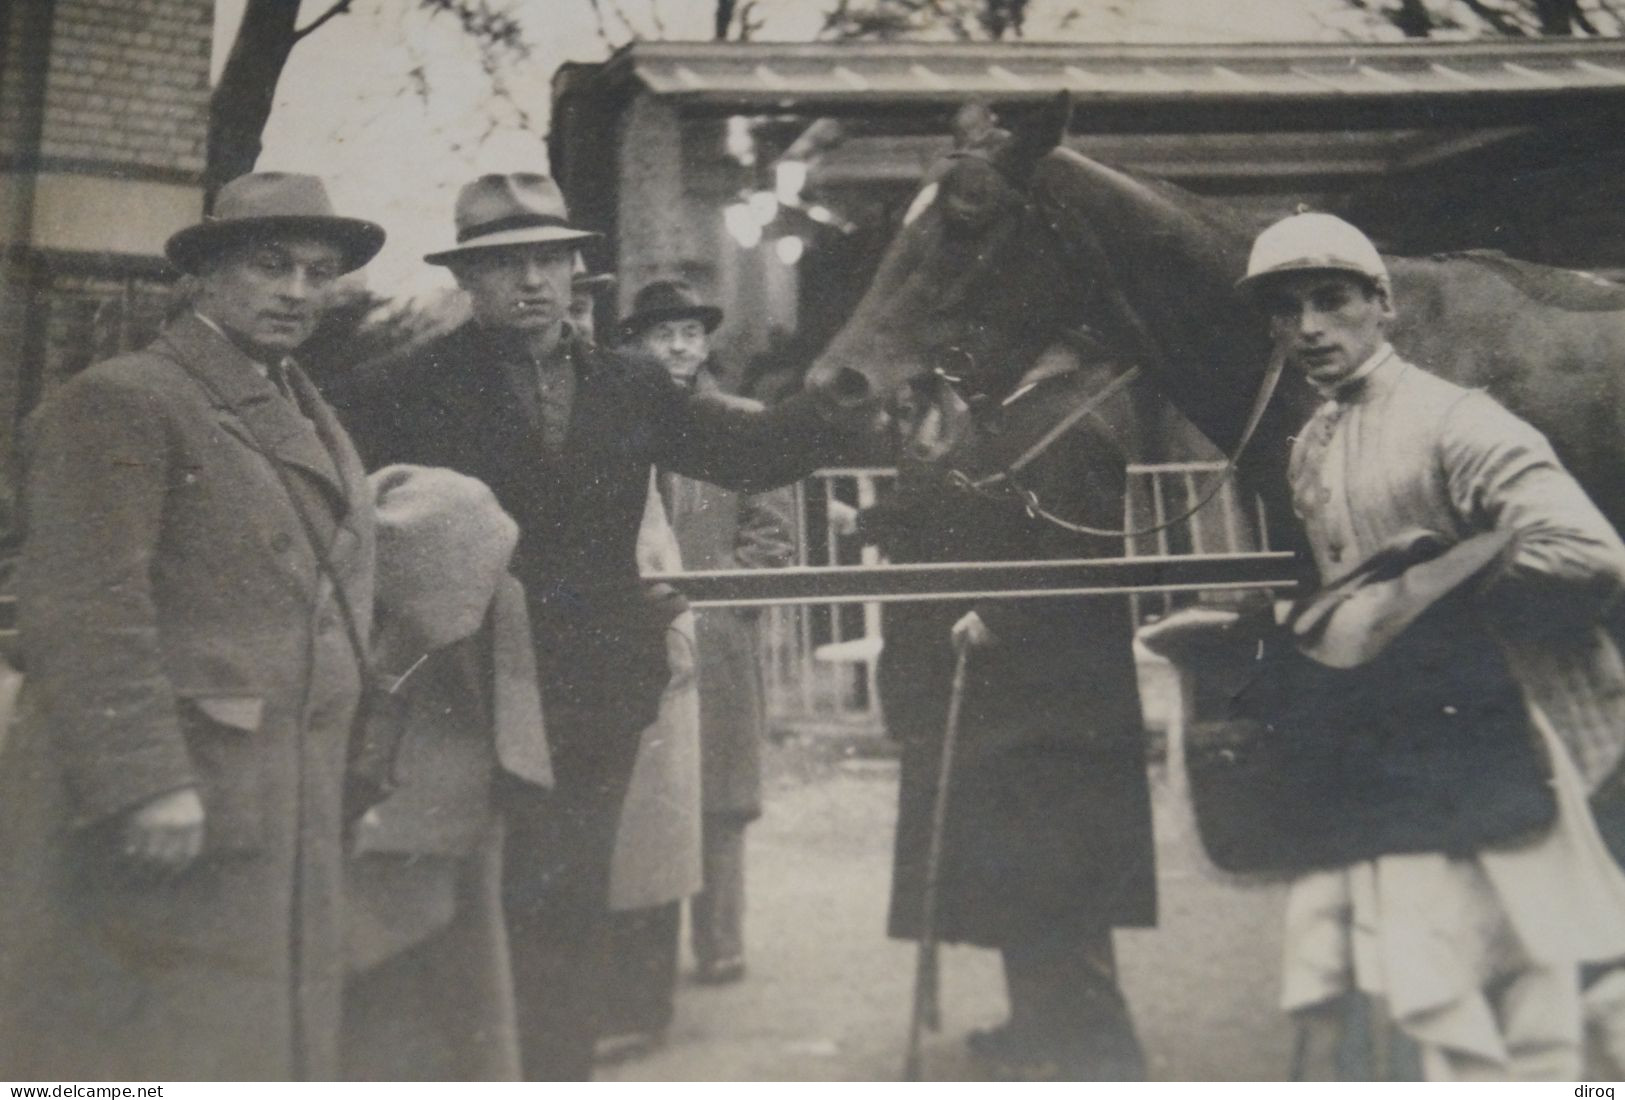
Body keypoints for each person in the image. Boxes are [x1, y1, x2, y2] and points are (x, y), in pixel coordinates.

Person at [330, 172, 867, 1080]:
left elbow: (751, 451)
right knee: (457, 902)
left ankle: (556, 1074)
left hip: (598, 687)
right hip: (460, 690)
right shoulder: (400, 388)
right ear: (469, 278)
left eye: (550, 260)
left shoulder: (632, 383)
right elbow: (341, 519)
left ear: (578, 270)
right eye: (506, 265)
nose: (533, 282)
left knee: (569, 901)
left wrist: (842, 399)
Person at [0, 173, 384, 1079]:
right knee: (156, 1043)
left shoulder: (292, 400)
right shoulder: (127, 397)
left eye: (320, 272)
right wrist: (144, 783)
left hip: (277, 789)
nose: (298, 290)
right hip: (183, 794)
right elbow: (85, 606)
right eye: (271, 264)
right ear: (202, 277)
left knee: (255, 1036)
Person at [1239, 211, 1625, 1081]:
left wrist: (1420, 601)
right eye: (1284, 308)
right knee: (1424, 985)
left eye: (1331, 300)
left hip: (1513, 741)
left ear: (1384, 305)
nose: (1307, 327)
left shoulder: (1461, 422)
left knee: (1550, 1000)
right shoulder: (1310, 445)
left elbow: (1587, 556)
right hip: (1404, 752)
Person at [849, 333, 1158, 1080]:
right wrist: (877, 524)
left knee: (1062, 879)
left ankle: (1097, 1052)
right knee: (1022, 876)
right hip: (1016, 701)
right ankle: (1037, 1026)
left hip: (1061, 705)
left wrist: (1001, 615)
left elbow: (1082, 557)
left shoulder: (1066, 424)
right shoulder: (1008, 418)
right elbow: (965, 508)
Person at [619, 280, 796, 986]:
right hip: (633, 630)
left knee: (720, 798)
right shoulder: (614, 422)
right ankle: (639, 967)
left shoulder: (738, 423)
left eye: (692, 332)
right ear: (633, 343)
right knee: (644, 792)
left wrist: (726, 601)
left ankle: (720, 943)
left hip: (716, 639)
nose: (681, 345)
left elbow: (772, 534)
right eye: (664, 333)